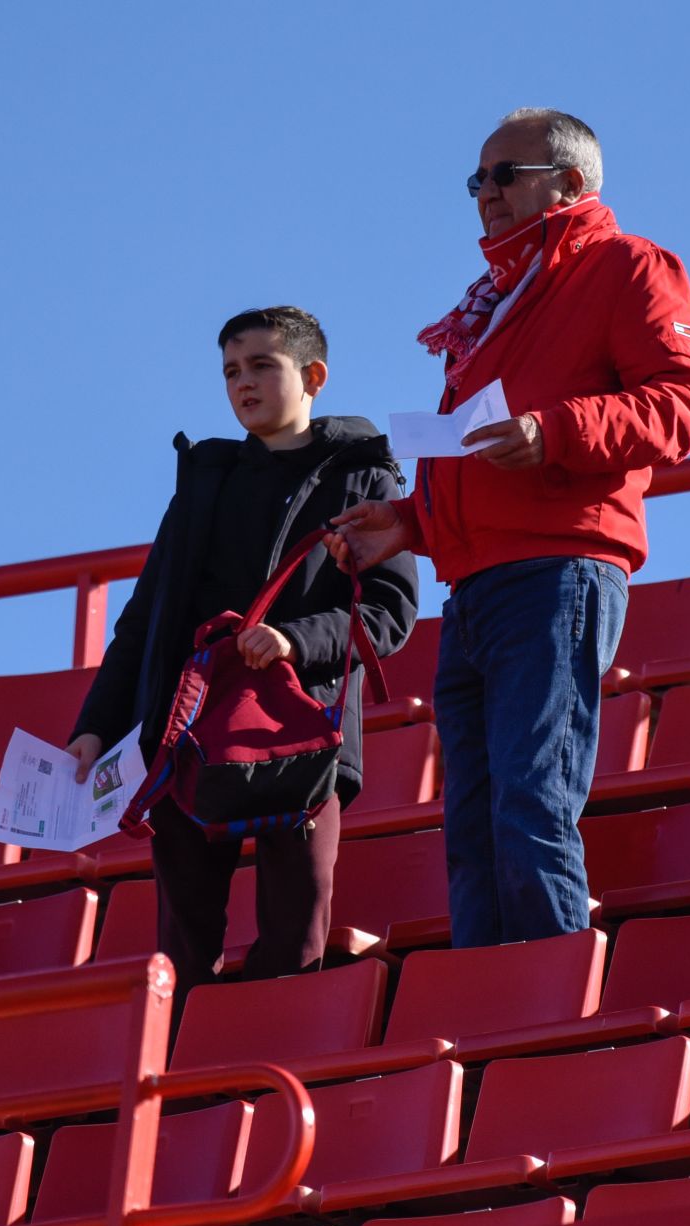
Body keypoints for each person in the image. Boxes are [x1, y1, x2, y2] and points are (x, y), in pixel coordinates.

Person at [326, 108, 690, 948]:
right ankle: (487, 1032)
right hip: (476, 586)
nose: (485, 194)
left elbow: (686, 407)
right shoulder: (496, 302)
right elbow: (482, 455)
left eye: (506, 175)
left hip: (557, 571)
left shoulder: (625, 265)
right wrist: (410, 523)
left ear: (571, 183)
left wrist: (555, 430)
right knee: (473, 830)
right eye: (478, 179)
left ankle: (548, 1027)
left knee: (531, 804)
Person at [69, 306, 420, 997]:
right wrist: (94, 728)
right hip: (187, 736)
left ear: (313, 375)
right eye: (231, 370)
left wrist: (294, 641)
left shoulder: (364, 478)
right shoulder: (203, 482)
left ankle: (265, 1074)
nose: (243, 382)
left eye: (262, 365)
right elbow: (144, 623)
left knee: (295, 938)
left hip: (301, 735)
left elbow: (388, 613)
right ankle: (185, 1089)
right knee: (183, 948)